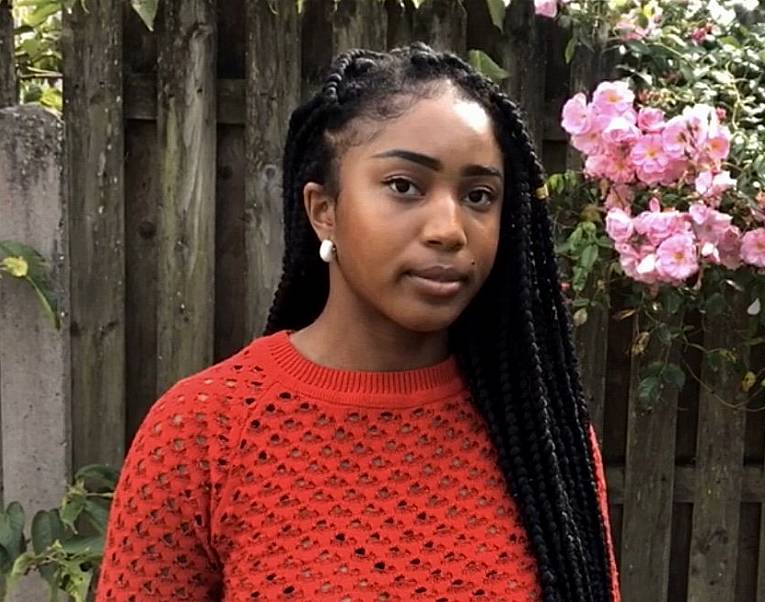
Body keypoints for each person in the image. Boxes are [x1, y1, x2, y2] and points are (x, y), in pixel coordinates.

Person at [96, 44, 620, 601]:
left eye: (479, 195)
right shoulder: (203, 432)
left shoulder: (545, 434)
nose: (449, 228)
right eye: (404, 186)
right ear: (324, 209)